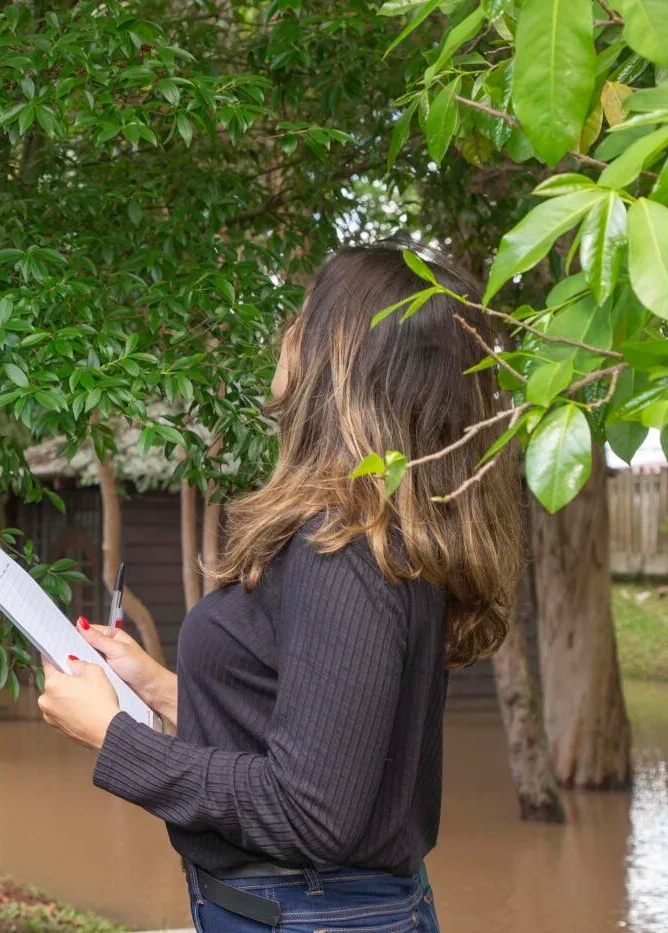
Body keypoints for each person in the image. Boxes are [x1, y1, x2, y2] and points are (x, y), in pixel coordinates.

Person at [38, 243, 522, 932]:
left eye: (304, 316)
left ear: (343, 358)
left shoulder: (347, 546)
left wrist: (114, 737)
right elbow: (321, 728)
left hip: (313, 913)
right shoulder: (366, 534)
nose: (286, 333)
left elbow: (312, 811)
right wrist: (159, 688)